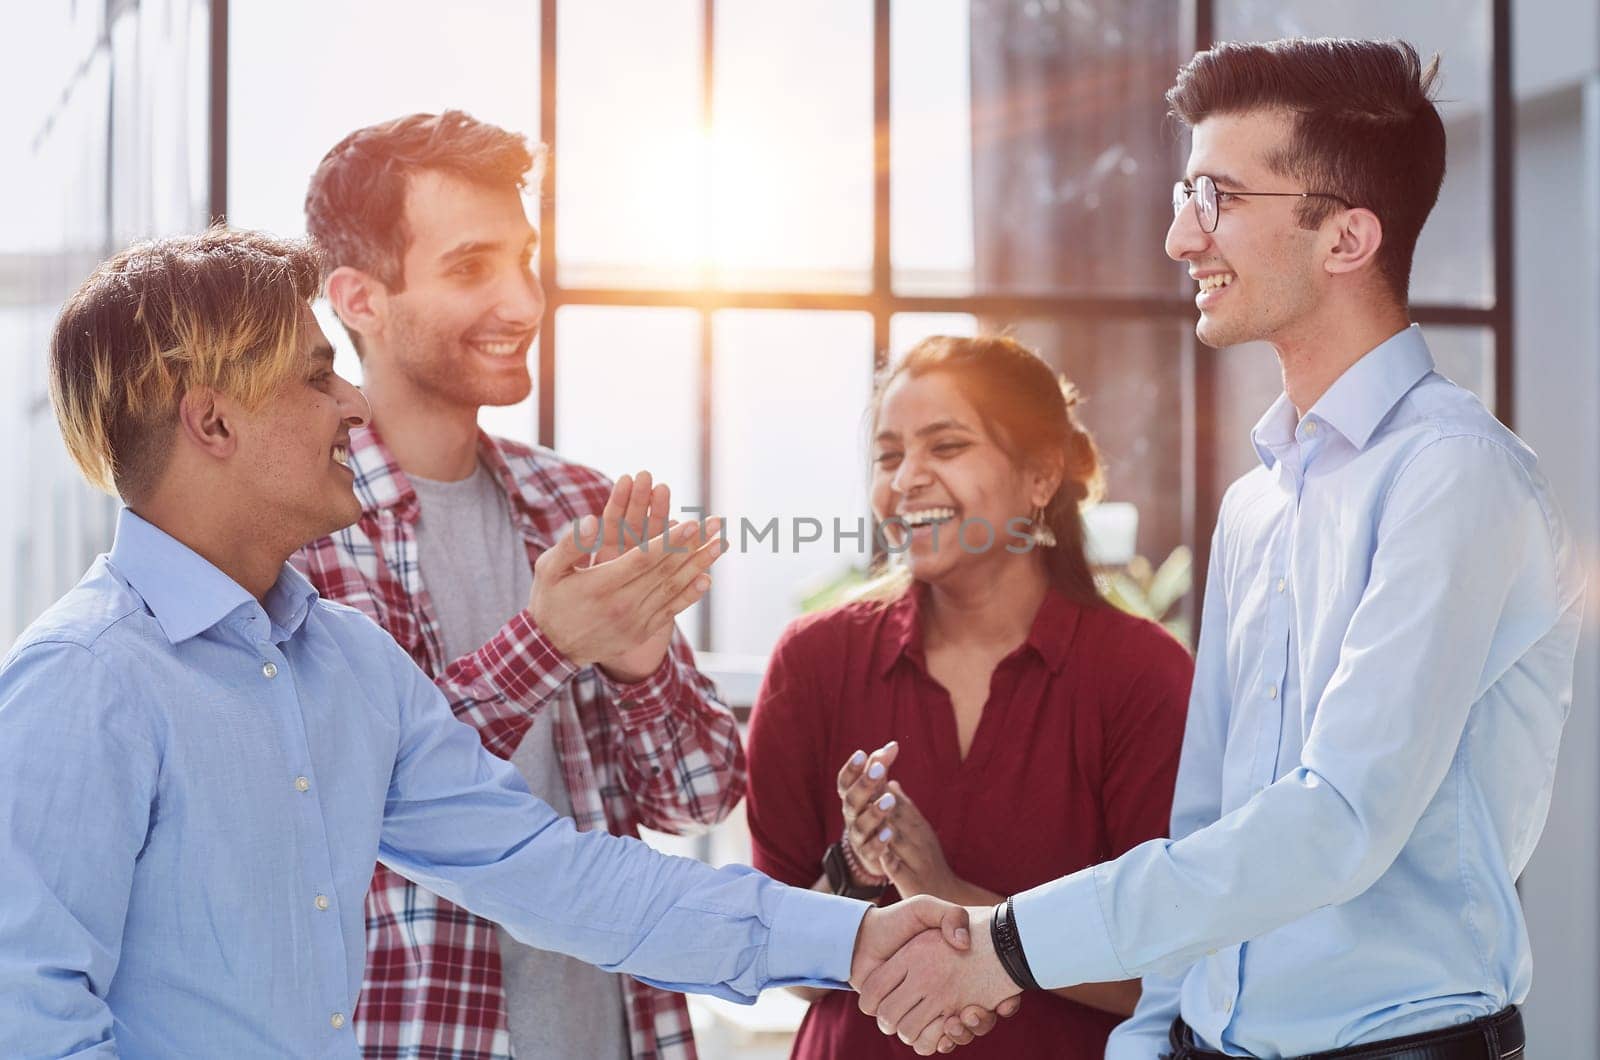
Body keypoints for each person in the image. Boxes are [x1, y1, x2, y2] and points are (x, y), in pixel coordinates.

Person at [0, 228, 992, 1058]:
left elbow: (556, 873)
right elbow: (30, 1018)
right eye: (315, 376)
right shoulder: (83, 684)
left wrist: (853, 937)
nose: (351, 403)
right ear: (211, 420)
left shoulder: (348, 664)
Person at [855, 38, 1584, 1060]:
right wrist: (1149, 1039)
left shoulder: (1454, 477)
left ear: (1345, 237)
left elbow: (1338, 820)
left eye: (1217, 196)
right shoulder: (1256, 504)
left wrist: (1009, 944)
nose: (1175, 235)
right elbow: (1203, 826)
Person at [296, 109, 741, 1060]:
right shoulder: (302, 538)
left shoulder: (575, 505)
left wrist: (639, 661)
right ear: (360, 298)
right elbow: (356, 798)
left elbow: (701, 799)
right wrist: (548, 645)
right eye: (470, 268)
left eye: (524, 258)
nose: (524, 301)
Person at [746, 334, 1194, 1058]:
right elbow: (781, 962)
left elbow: (1174, 973)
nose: (906, 480)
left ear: (1041, 476)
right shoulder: (815, 661)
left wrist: (953, 894)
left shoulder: (1143, 676)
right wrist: (857, 876)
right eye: (889, 457)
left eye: (946, 447)